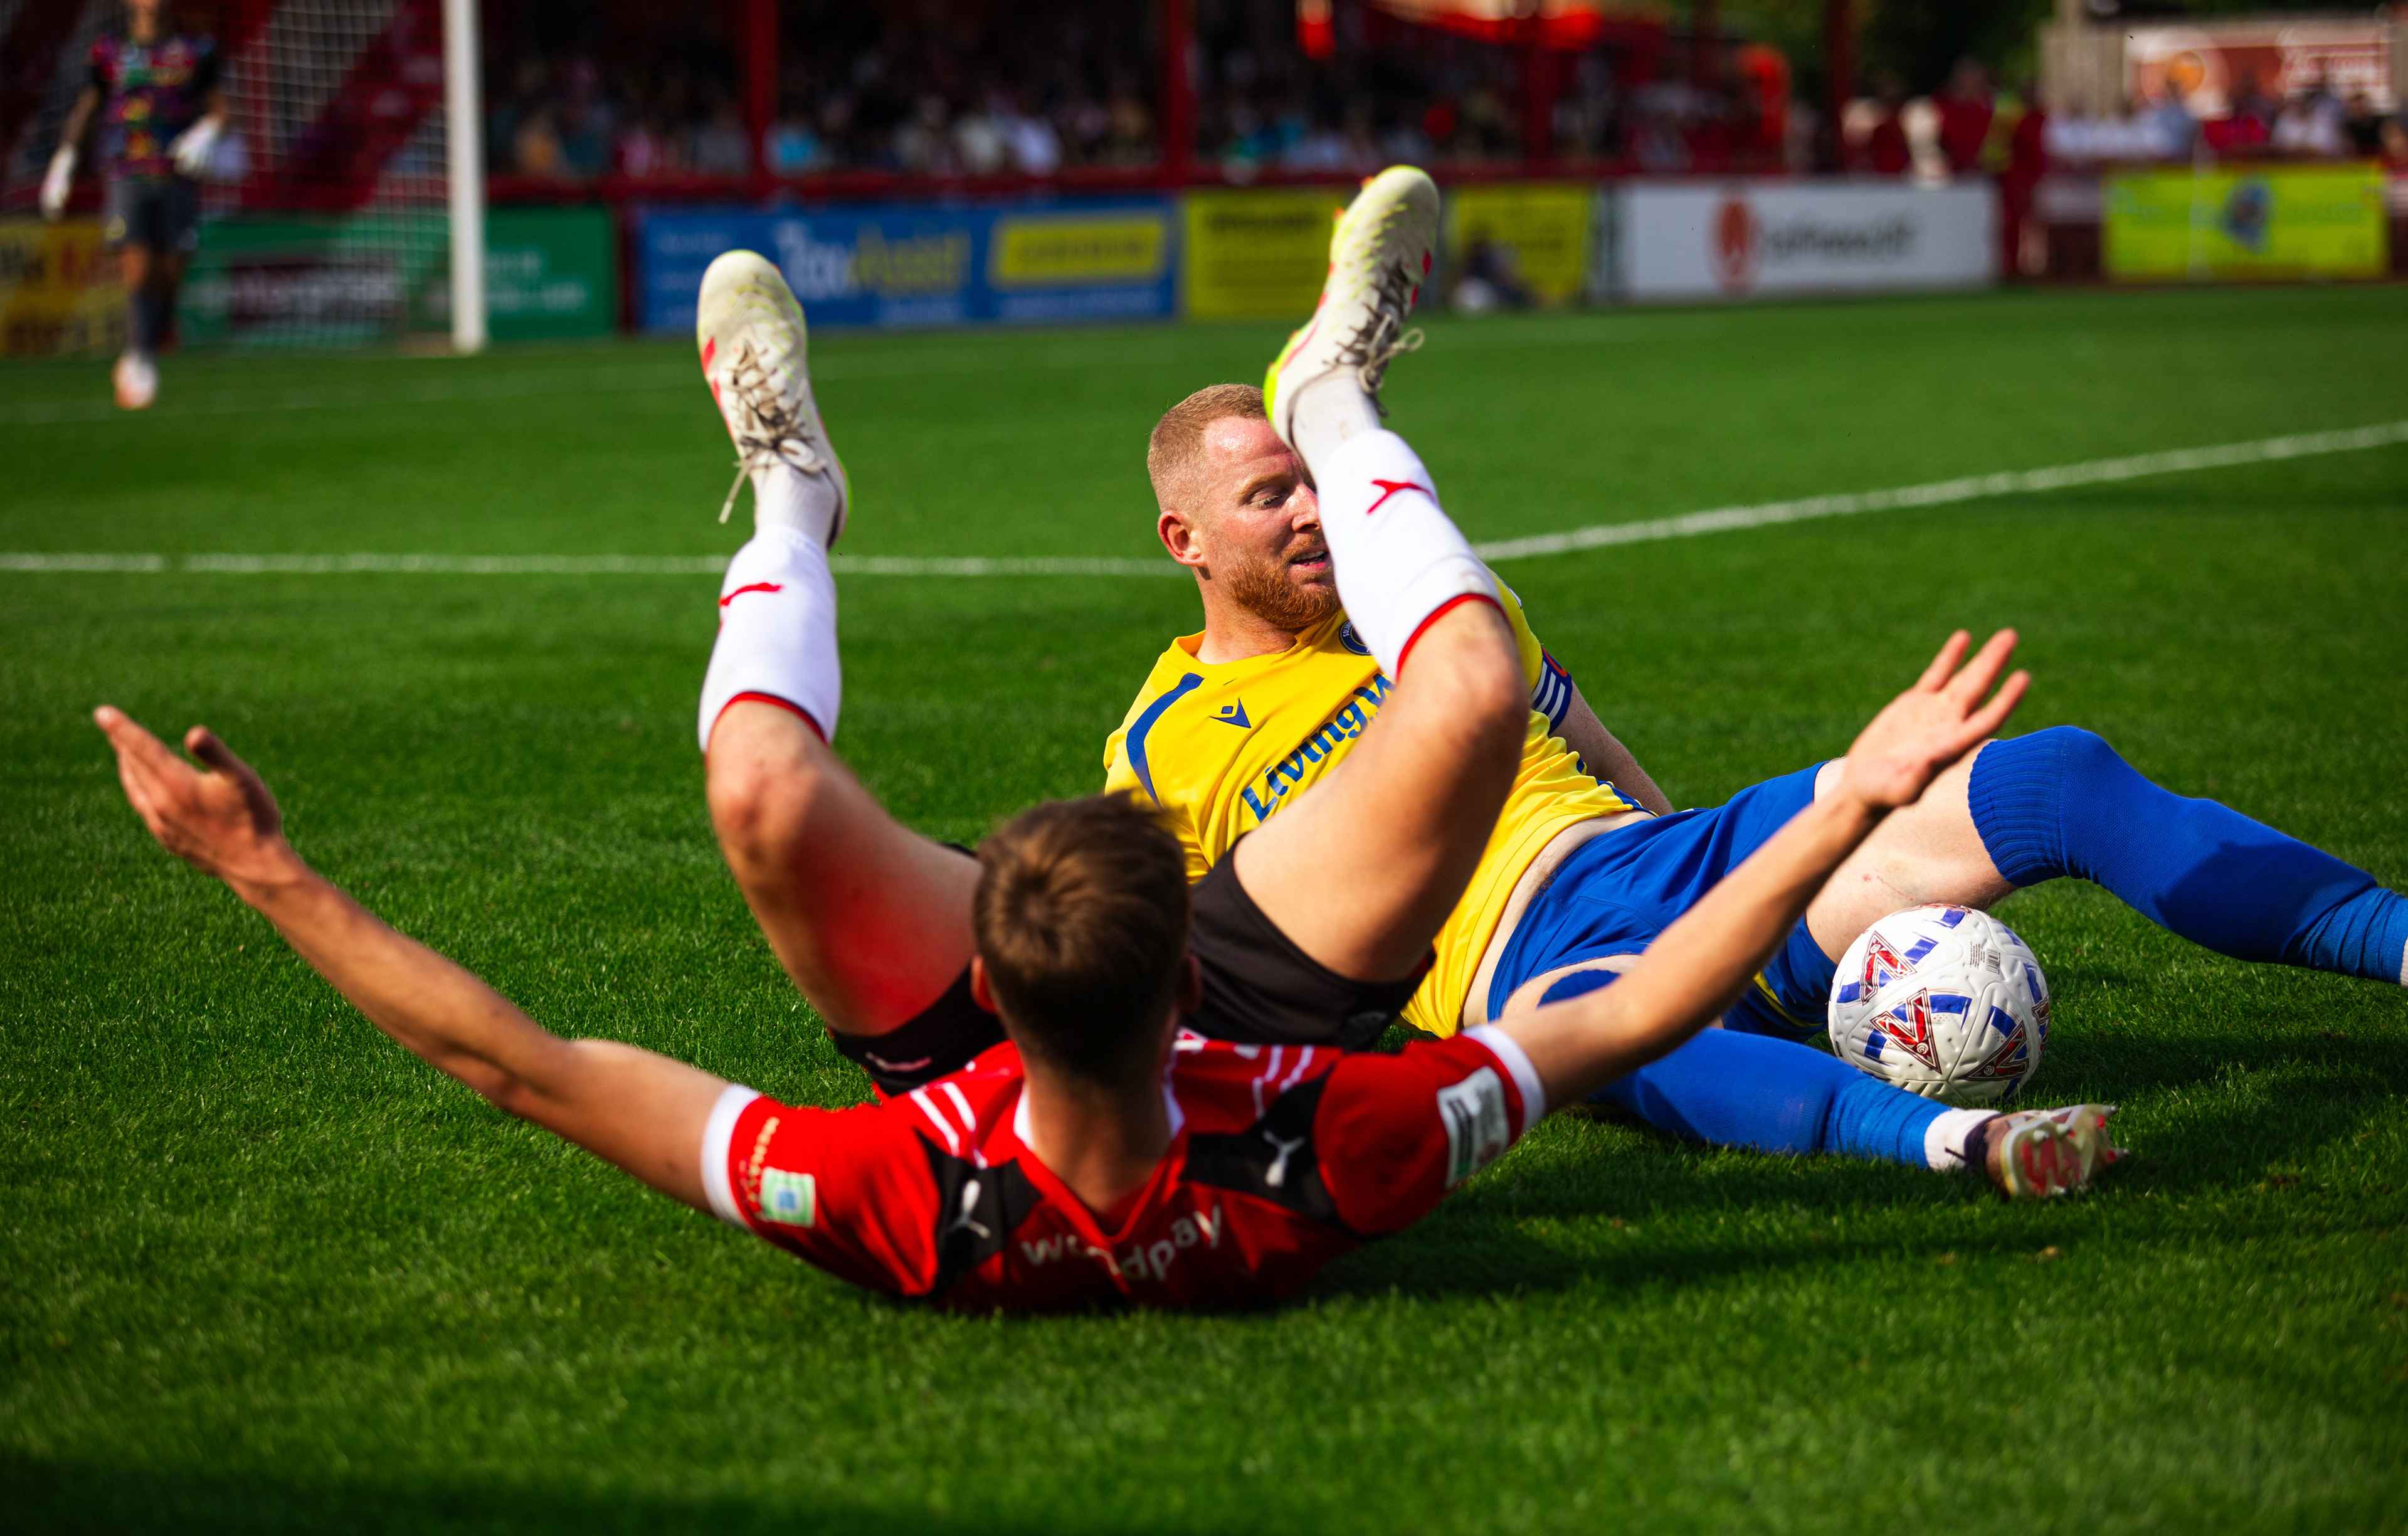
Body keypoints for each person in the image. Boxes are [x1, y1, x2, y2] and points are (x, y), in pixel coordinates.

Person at [93, 178, 2110, 1316]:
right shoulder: (1329, 1138)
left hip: (1040, 1070)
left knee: (761, 794)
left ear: (999, 970)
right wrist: (1846, 798)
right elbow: (1641, 1006)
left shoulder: (895, 1185)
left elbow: (521, 1065)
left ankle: (792, 493)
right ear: (1182, 975)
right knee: (1479, 698)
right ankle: (1336, 400)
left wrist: (264, 868)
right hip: (1245, 1017)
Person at [1101, 171, 2408, 1181]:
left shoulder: (1426, 608)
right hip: (1518, 965)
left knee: (2053, 777)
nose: (1314, 514)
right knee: (1639, 1032)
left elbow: (1594, 747)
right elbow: (1197, 982)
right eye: (1270, 496)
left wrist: (1716, 893)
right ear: (1186, 541)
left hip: (1665, 857)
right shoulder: (1163, 746)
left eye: (1317, 483)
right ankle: (1965, 1144)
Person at [40, 0, 226, 412]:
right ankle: (139, 358)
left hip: (177, 176)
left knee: (171, 271)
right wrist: (63, 163)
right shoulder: (110, 51)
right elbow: (89, 106)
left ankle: (144, 350)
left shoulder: (195, 51)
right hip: (126, 174)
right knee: (138, 266)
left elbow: (222, 109)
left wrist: (209, 131)